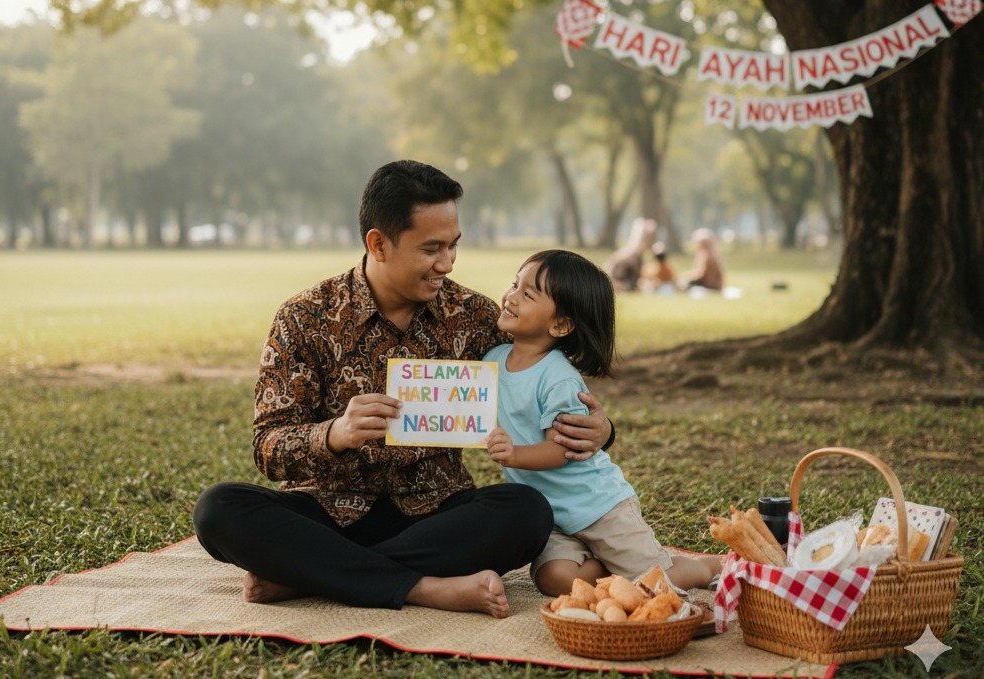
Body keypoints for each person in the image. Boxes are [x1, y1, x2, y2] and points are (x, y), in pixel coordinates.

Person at [192, 160, 614, 619]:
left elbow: (541, 382)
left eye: (453, 246)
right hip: (326, 511)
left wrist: (601, 430)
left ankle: (306, 574)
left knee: (527, 512)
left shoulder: (473, 315)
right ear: (379, 244)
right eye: (432, 248)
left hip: (438, 515)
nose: (447, 264)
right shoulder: (304, 318)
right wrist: (334, 434)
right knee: (218, 509)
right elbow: (268, 447)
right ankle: (424, 588)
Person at [484, 250, 722, 596]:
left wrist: (514, 455)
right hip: (552, 516)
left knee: (654, 580)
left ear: (561, 324)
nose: (511, 297)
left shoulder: (557, 378)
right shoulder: (492, 361)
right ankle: (615, 562)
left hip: (598, 506)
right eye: (514, 285)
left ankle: (705, 567)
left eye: (528, 294)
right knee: (556, 580)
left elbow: (562, 448)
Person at [603, 217, 657, 292]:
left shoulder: (637, 256)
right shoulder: (628, 257)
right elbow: (613, 281)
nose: (650, 241)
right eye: (648, 238)